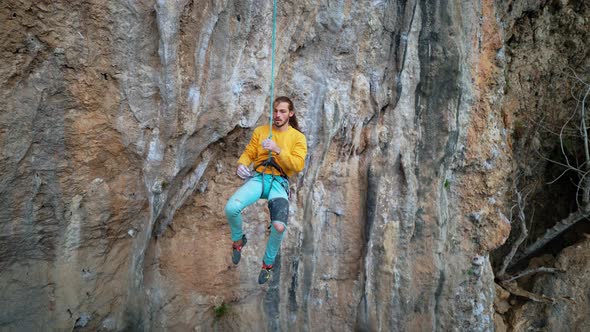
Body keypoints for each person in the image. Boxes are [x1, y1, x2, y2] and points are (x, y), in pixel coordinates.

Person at [225, 96, 307, 284]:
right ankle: (238, 241)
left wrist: (278, 150)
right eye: (275, 111)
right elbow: (249, 153)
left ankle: (267, 265)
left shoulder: (297, 137)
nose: (277, 115)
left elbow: (298, 165)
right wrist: (241, 164)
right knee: (231, 208)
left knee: (279, 226)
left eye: (282, 111)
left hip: (279, 182)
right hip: (259, 177)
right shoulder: (261, 131)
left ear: (290, 114)